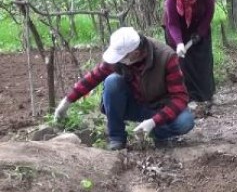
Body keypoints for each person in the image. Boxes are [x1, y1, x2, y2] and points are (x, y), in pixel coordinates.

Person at [53, 27, 195, 150]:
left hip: (158, 107)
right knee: (112, 81)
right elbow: (93, 77)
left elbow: (180, 98)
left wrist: (154, 121)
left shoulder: (166, 57)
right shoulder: (120, 60)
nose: (118, 60)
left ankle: (156, 133)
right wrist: (66, 102)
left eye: (122, 57)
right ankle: (116, 138)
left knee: (185, 121)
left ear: (136, 53)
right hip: (132, 105)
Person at [163, 0, 216, 103]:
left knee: (202, 63)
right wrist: (179, 43)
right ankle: (188, 98)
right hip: (177, 32)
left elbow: (209, 12)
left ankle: (205, 96)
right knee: (183, 65)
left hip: (200, 26)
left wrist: (200, 33)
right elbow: (172, 23)